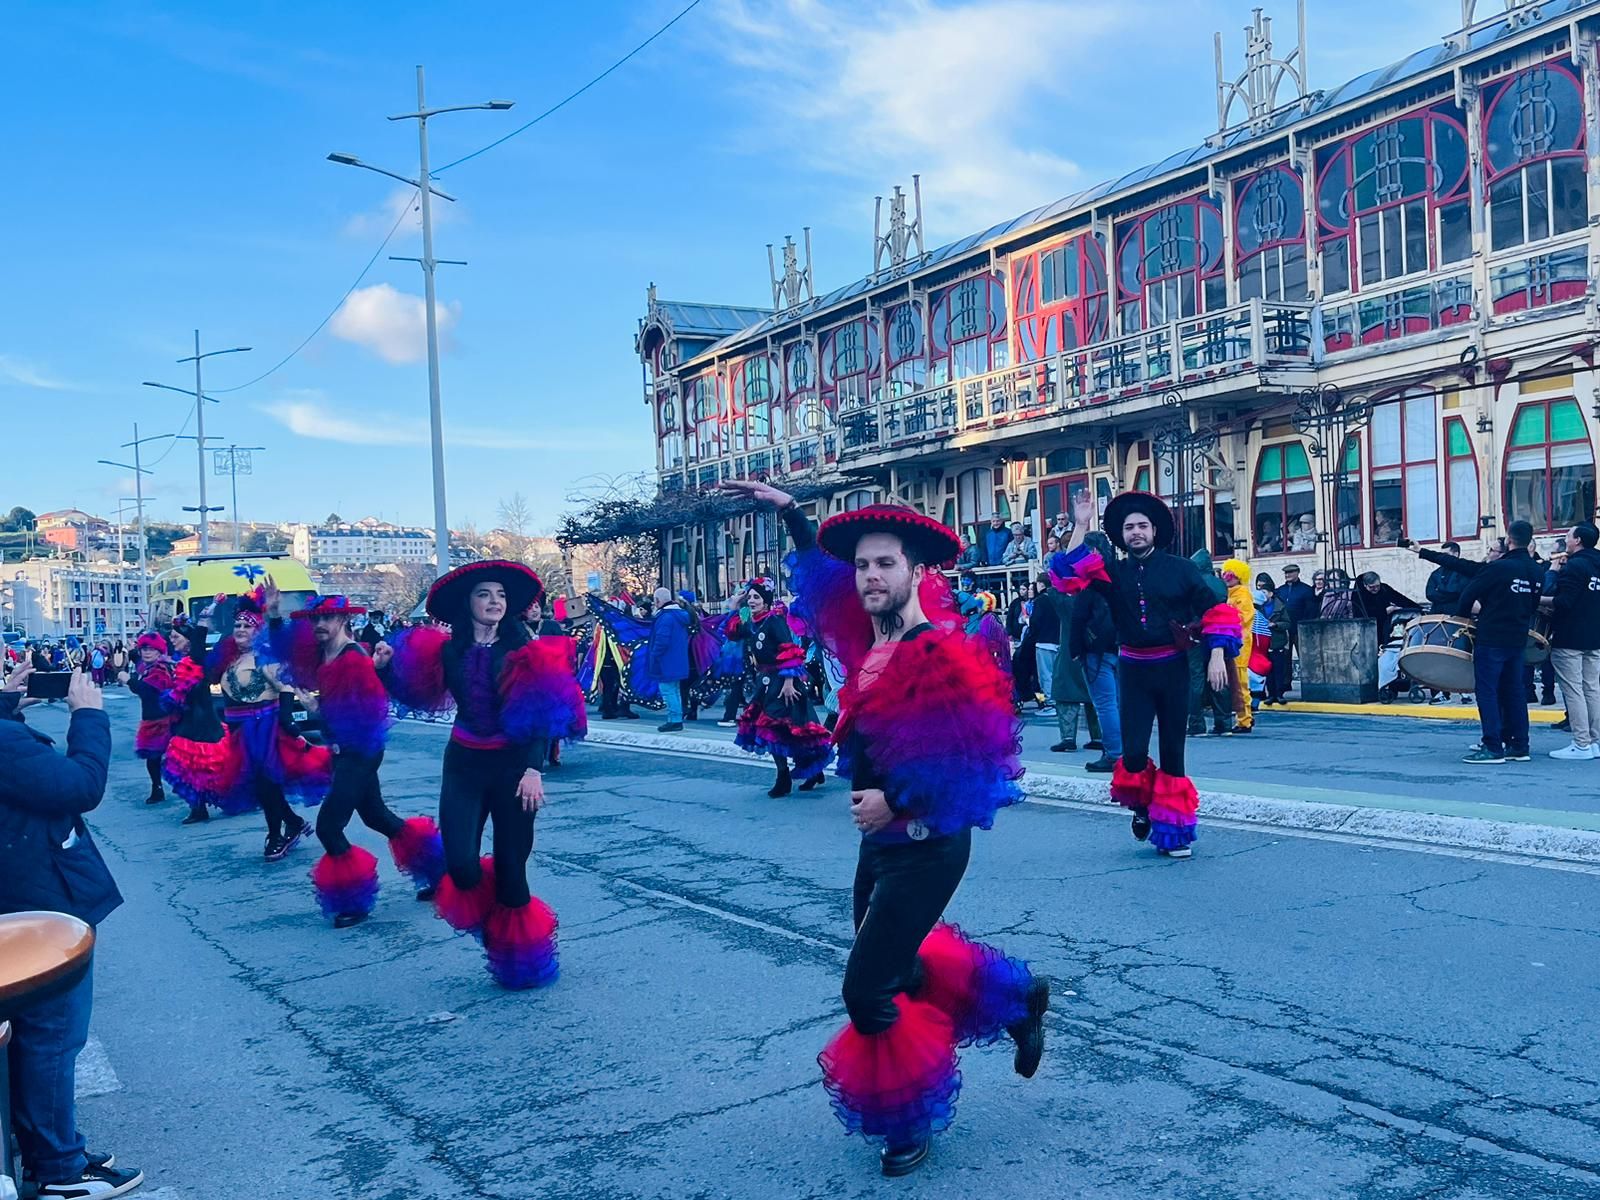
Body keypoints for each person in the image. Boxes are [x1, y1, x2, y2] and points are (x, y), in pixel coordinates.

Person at [724, 479, 1046, 1179]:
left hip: (925, 844)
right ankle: (1016, 1002)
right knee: (897, 965)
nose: (871, 576)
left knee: (866, 990)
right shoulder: (863, 634)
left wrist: (896, 805)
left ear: (915, 573)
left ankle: (909, 1120)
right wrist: (790, 514)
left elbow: (971, 758)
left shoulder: (934, 652)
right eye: (863, 565)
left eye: (885, 565)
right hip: (883, 842)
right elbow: (820, 582)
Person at [377, 561, 585, 988]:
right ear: (467, 603)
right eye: (484, 594)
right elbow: (416, 693)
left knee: (512, 870)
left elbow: (540, 712)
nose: (494, 602)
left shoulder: (522, 651)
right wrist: (383, 669)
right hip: (464, 765)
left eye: (501, 596)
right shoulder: (447, 650)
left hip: (513, 769)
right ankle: (496, 922)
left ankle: (518, 956)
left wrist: (533, 768)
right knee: (462, 867)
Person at [1, 664, 146, 1199]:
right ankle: (59, 1169)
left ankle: (47, 1146)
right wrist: (87, 715)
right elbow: (79, 786)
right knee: (52, 1037)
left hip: (18, 895)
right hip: (34, 906)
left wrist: (5, 705)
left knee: (30, 1038)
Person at [1057, 490, 1242, 856]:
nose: (1136, 532)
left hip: (1172, 669)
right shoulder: (1111, 573)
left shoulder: (1182, 568)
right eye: (1129, 527)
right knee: (1135, 753)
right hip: (1133, 671)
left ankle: (1174, 835)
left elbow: (1216, 611)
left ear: (1154, 531)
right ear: (1122, 535)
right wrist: (1080, 524)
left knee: (1174, 752)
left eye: (1142, 526)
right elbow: (1067, 573)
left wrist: (1217, 655)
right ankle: (1142, 808)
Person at [261, 595, 445, 928]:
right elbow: (288, 653)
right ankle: (437, 870)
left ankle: (354, 900)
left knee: (329, 828)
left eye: (328, 618)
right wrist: (274, 616)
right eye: (315, 619)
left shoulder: (354, 659)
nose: (319, 625)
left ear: (344, 619)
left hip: (358, 751)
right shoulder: (323, 652)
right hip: (346, 749)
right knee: (377, 816)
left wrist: (325, 721)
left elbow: (371, 710)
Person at [216, 586, 327, 860]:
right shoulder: (231, 659)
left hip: (265, 729)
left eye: (247, 625)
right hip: (241, 732)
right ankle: (292, 823)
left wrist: (287, 719)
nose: (241, 629)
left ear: (258, 630)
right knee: (260, 786)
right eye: (237, 625)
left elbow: (285, 687)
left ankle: (277, 834)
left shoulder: (264, 656)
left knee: (267, 785)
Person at [728, 575, 832, 796]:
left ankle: (784, 776)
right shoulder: (751, 622)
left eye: (756, 597)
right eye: (750, 598)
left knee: (782, 728)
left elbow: (790, 650)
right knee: (782, 730)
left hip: (783, 683)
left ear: (766, 600)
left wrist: (788, 682)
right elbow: (732, 632)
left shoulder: (775, 621)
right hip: (764, 684)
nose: (752, 601)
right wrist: (736, 606)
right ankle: (808, 771)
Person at [1458, 521, 1543, 764]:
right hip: (1517, 637)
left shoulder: (1498, 568)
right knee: (1515, 691)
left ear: (1509, 539)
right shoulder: (1537, 570)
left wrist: (1464, 617)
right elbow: (1533, 606)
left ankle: (1493, 746)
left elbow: (1467, 595)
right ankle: (1520, 745)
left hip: (1492, 636)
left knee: (1487, 691)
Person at [1543, 522, 1600, 760]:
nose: (1566, 539)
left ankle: (1581, 743)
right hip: (1595, 634)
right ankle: (1595, 741)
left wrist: (1544, 594)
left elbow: (1564, 601)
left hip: (1570, 636)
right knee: (1593, 688)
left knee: (1574, 690)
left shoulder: (1575, 566)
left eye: (1568, 535)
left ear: (1577, 540)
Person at [1068, 530, 1121, 772]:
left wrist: (1075, 648)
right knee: (1118, 703)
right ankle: (1125, 750)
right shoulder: (1117, 576)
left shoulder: (1089, 583)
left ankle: (1113, 753)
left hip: (1096, 650)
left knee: (1105, 703)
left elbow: (1078, 618)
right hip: (1120, 647)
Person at [1036, 576, 1101, 754]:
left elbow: (1054, 592)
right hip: (1095, 652)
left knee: (1065, 694)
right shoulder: (1097, 599)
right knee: (1095, 697)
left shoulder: (1066, 603)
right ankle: (1098, 737)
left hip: (1069, 653)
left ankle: (1068, 738)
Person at [120, 631, 177, 804]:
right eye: (144, 648)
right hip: (154, 718)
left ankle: (175, 789)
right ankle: (157, 788)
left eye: (152, 649)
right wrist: (132, 653)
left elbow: (147, 690)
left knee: (170, 758)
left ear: (160, 651)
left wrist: (128, 680)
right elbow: (139, 664)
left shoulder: (161, 669)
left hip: (163, 719)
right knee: (154, 759)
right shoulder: (149, 667)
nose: (147, 652)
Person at [1187, 548, 1233, 736]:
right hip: (1219, 632)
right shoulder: (1220, 584)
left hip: (1196, 634)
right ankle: (1224, 722)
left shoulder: (1193, 583)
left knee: (1195, 678)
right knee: (1219, 675)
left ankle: (1196, 723)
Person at [646, 586, 692, 732]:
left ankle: (674, 720)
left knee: (668, 691)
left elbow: (662, 640)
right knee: (675, 690)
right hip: (678, 660)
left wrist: (654, 655)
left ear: (658, 600)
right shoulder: (679, 615)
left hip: (666, 661)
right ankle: (676, 718)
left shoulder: (665, 617)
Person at [1220, 559, 1257, 733]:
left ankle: (1245, 720)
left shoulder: (1242, 594)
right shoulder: (1230, 594)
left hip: (1239, 643)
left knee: (1240, 682)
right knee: (1236, 681)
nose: (1227, 578)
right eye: (1226, 574)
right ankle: (1244, 717)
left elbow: (1243, 618)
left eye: (1231, 575)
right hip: (1231, 641)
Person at [1256, 574, 1292, 705]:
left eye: (1264, 592)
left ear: (1271, 593)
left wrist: (1276, 625)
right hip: (1263, 643)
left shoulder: (1280, 606)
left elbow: (1287, 623)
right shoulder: (1257, 607)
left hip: (1277, 642)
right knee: (1267, 671)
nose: (1262, 594)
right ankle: (1270, 694)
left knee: (1279, 669)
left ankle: (1279, 694)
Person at [1028, 574, 1061, 714]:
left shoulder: (1040, 600)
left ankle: (1050, 704)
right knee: (1057, 674)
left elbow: (1035, 622)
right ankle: (1059, 701)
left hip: (1043, 641)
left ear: (1040, 584)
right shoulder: (1058, 597)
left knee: (1046, 674)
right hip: (1058, 641)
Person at [1419, 542, 1471, 612]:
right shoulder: (1435, 573)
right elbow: (1429, 594)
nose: (1443, 557)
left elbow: (1460, 592)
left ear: (1456, 554)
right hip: (1436, 614)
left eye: (1446, 554)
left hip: (1457, 614)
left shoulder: (1464, 572)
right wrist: (1450, 595)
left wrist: (1440, 592)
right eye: (1441, 554)